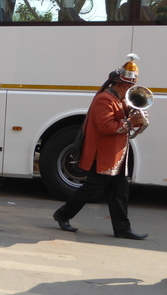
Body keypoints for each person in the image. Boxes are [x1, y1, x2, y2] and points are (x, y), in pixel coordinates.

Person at [53, 54, 148, 240]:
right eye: (129, 86)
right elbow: (106, 127)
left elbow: (122, 122)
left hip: (116, 156)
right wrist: (130, 122)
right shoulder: (104, 100)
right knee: (91, 190)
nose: (131, 90)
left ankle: (122, 229)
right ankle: (63, 214)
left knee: (120, 192)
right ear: (120, 84)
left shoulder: (120, 99)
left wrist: (139, 120)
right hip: (103, 156)